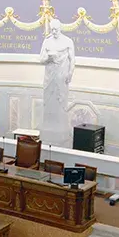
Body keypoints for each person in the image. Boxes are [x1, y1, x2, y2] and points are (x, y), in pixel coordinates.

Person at [39, 18, 76, 147]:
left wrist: (70, 73)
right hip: (49, 76)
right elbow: (41, 59)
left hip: (61, 76)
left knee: (61, 101)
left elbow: (72, 60)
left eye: (56, 30)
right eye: (52, 30)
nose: (54, 32)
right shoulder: (47, 41)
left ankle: (60, 127)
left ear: (60, 29)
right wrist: (48, 58)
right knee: (49, 101)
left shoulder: (67, 41)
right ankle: (49, 126)